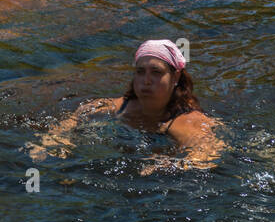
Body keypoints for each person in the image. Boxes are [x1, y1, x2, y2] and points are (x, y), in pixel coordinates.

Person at [28, 39, 223, 171]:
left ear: (175, 77)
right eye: (140, 72)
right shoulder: (119, 107)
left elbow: (208, 155)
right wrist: (57, 138)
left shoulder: (185, 122)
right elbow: (76, 116)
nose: (146, 80)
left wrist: (168, 165)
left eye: (156, 72)